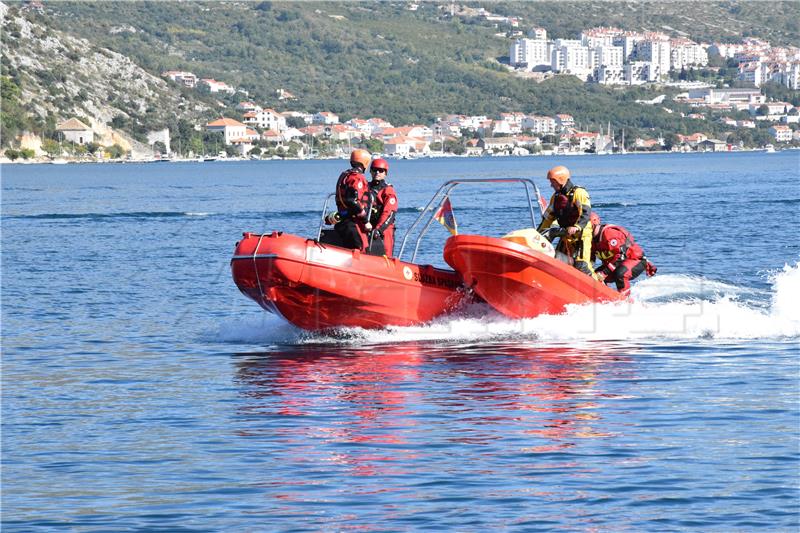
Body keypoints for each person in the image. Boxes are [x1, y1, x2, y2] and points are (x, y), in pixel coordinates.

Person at [536, 165, 597, 279]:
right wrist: (537, 235)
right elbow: (548, 218)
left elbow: (585, 213)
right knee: (556, 261)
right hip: (566, 234)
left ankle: (599, 287)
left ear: (560, 180)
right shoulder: (556, 197)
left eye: (552, 182)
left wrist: (577, 227)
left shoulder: (579, 193)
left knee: (582, 265)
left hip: (581, 234)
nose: (551, 185)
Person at [590, 212, 657, 293]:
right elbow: (590, 259)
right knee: (593, 276)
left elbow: (621, 257)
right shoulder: (590, 240)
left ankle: (625, 300)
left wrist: (604, 273)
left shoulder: (609, 234)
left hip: (635, 260)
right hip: (616, 263)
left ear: (593, 224)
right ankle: (604, 296)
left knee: (620, 274)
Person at [326, 149, 372, 250]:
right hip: (353, 222)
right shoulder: (357, 178)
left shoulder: (345, 175)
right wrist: (365, 221)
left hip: (343, 220)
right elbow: (353, 201)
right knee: (360, 248)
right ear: (365, 162)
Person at [367, 158, 398, 257]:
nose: (377, 172)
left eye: (381, 170)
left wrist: (379, 230)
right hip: (367, 226)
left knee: (386, 255)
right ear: (370, 171)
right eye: (374, 170)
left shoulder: (388, 190)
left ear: (385, 173)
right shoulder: (365, 187)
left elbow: (389, 213)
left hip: (384, 230)